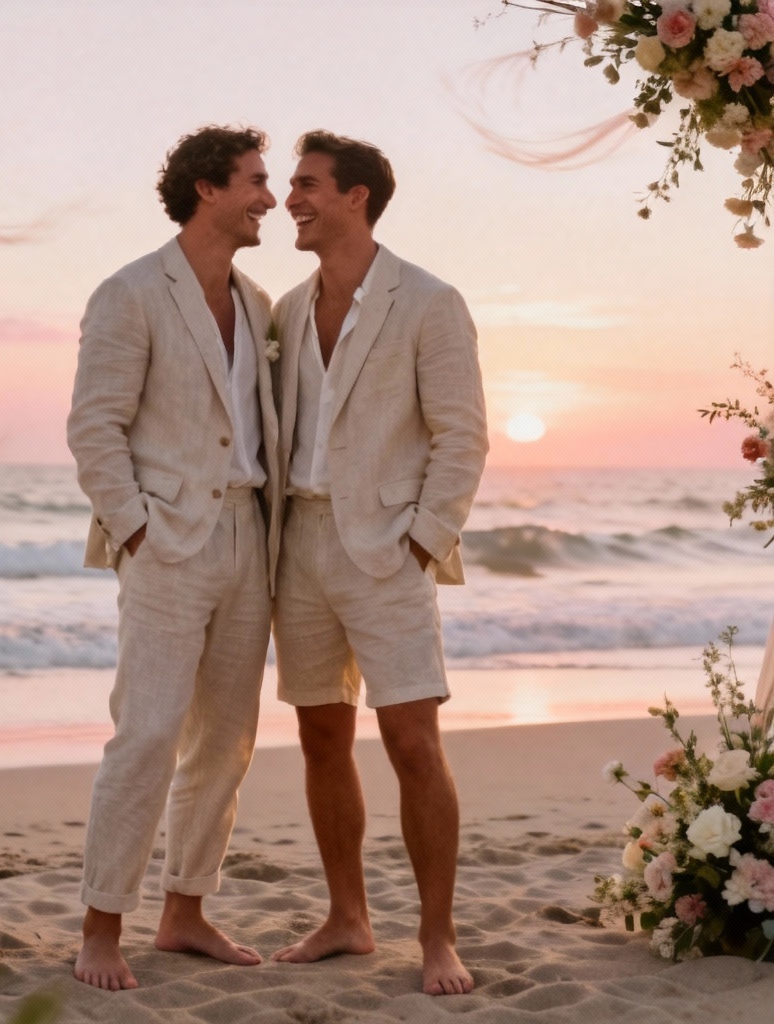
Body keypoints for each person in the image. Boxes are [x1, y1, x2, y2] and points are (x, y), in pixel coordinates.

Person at [269, 131, 488, 996]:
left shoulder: (429, 301)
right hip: (301, 547)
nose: (292, 198)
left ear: (356, 197)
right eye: (290, 184)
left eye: (308, 185)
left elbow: (461, 432)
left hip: (387, 551)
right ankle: (348, 916)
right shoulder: (286, 307)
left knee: (412, 743)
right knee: (321, 735)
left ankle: (438, 936)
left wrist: (422, 539)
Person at [66, 125, 280, 991]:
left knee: (226, 742)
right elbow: (94, 426)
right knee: (148, 734)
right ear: (206, 189)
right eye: (256, 181)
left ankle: (186, 910)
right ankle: (100, 925)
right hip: (167, 543)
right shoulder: (129, 292)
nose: (270, 198)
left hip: (249, 541)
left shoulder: (261, 302)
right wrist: (138, 529)